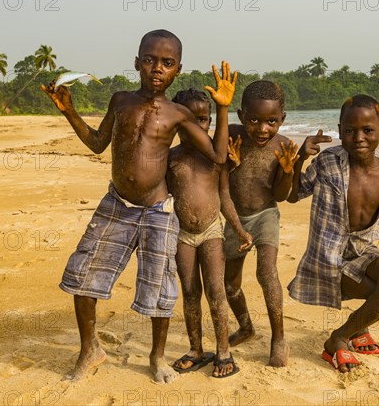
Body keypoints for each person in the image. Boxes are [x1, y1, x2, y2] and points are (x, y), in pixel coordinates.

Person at [40, 29, 237, 383]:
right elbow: (99, 144)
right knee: (82, 276)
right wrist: (69, 110)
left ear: (178, 69)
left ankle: (157, 357)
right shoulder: (120, 101)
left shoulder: (177, 114)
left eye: (167, 63)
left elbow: (218, 155)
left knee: (160, 289)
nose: (156, 68)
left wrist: (222, 109)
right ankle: (90, 350)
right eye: (149, 60)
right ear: (136, 63)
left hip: (157, 210)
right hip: (117, 204)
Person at [287, 94, 379, 373]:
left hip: (362, 250)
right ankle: (342, 337)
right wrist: (299, 159)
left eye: (368, 130)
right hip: (328, 257)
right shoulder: (328, 163)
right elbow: (293, 193)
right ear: (340, 131)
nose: (359, 137)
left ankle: (350, 332)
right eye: (350, 131)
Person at [223, 80, 332, 367]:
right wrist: (227, 163)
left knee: (266, 272)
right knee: (229, 284)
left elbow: (282, 196)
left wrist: (294, 165)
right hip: (234, 217)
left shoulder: (284, 146)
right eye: (254, 120)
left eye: (271, 121)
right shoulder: (230, 136)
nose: (262, 129)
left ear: (282, 119)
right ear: (241, 116)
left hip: (265, 214)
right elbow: (215, 167)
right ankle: (246, 327)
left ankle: (278, 338)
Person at [166, 88, 252, 378]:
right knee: (190, 292)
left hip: (212, 230)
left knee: (216, 292)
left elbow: (225, 197)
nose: (198, 127)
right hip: (181, 233)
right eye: (189, 120)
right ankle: (196, 350)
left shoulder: (217, 158)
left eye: (204, 120)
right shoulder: (170, 157)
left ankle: (224, 351)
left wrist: (239, 229)